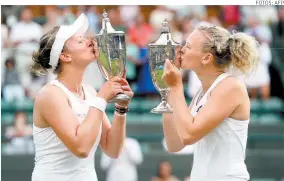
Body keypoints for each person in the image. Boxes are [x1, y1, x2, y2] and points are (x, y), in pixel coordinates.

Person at [30, 13, 133, 181]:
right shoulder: (50, 94)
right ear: (65, 56)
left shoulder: (90, 92)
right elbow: (81, 148)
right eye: (80, 41)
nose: (90, 41)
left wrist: (121, 108)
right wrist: (101, 99)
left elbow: (112, 149)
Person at [161, 24, 259, 180]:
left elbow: (188, 135)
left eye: (188, 45)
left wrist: (176, 86)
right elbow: (174, 144)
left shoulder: (231, 86)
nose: (181, 49)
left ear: (206, 57)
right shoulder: (201, 93)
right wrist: (166, 91)